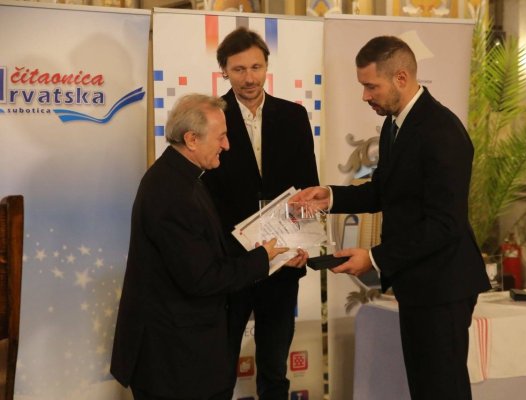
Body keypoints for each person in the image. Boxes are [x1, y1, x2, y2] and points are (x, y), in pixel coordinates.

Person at [291, 36, 491, 400]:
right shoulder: (396, 124)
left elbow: (444, 224)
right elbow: (383, 190)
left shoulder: (441, 131)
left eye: (371, 86)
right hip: (419, 282)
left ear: (401, 78)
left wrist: (374, 257)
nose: (365, 96)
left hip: (443, 286)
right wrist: (330, 197)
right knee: (425, 388)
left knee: (442, 390)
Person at [110, 94, 296, 400]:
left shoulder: (183, 177)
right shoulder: (173, 192)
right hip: (173, 361)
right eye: (221, 137)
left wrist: (265, 254)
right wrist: (262, 259)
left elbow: (204, 250)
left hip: (183, 353)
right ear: (192, 139)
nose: (227, 145)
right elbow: (202, 278)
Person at [202, 27, 319, 399]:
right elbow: (204, 197)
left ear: (267, 66)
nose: (249, 78)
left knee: (274, 370)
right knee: (219, 369)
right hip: (230, 264)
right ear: (224, 71)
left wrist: (303, 245)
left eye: (256, 67)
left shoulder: (294, 116)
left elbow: (308, 188)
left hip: (282, 261)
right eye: (239, 69)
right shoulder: (209, 117)